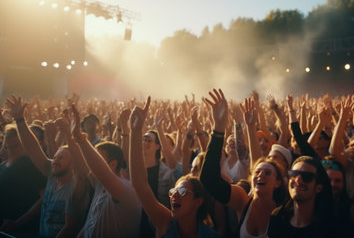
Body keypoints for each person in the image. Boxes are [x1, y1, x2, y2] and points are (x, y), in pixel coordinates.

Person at [200, 89, 287, 238]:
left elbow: (255, 160)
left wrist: (252, 128)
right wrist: (219, 126)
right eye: (257, 173)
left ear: (278, 182)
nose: (260, 176)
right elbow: (208, 179)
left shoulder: (286, 212)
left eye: (267, 173)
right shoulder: (242, 201)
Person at [129, 96, 218, 238]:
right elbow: (139, 184)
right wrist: (135, 131)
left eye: (183, 192)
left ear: (198, 201)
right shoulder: (165, 223)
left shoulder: (211, 235)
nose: (174, 195)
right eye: (173, 191)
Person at [5, 95, 81, 238]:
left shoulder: (77, 186)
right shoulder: (52, 177)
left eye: (61, 158)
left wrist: (69, 134)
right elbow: (33, 149)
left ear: (73, 165)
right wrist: (20, 120)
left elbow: (71, 226)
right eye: (55, 157)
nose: (55, 161)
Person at [70, 104, 141, 238]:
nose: (92, 163)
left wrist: (79, 138)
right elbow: (92, 221)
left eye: (98, 159)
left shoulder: (126, 189)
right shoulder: (99, 186)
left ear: (112, 164)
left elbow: (101, 170)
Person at [268, 156, 335, 237]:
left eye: (307, 176)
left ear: (318, 188)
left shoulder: (330, 228)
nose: (298, 180)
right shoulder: (277, 218)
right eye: (294, 174)